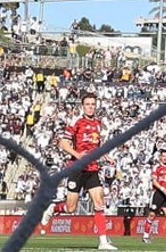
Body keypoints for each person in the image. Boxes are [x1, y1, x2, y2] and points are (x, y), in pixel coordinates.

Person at [42, 93, 118, 250]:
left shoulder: (98, 124)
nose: (90, 106)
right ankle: (53, 208)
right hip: (76, 169)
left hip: (92, 169)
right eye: (88, 104)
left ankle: (103, 242)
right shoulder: (76, 121)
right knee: (71, 208)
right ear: (83, 106)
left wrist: (107, 157)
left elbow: (98, 146)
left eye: (93, 104)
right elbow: (62, 143)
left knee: (99, 203)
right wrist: (77, 155)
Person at [142, 149, 166, 244]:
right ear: (160, 157)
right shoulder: (156, 167)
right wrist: (163, 189)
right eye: (163, 156)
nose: (165, 158)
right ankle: (145, 236)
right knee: (152, 215)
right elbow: (154, 182)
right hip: (158, 193)